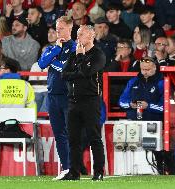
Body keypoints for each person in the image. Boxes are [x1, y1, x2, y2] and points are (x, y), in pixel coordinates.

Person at [61, 25, 105, 181]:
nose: (78, 37)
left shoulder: (98, 55)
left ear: (91, 36)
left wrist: (80, 58)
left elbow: (86, 72)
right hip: (73, 101)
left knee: (94, 137)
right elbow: (64, 75)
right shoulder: (74, 55)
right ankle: (74, 171)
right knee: (73, 139)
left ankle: (98, 172)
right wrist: (77, 70)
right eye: (77, 34)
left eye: (81, 34)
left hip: (90, 101)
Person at [38, 16, 76, 180]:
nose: (57, 31)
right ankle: (66, 169)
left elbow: (66, 68)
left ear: (70, 28)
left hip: (68, 96)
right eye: (56, 28)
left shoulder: (75, 48)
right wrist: (55, 51)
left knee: (71, 133)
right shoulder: (53, 48)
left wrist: (52, 61)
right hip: (52, 96)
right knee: (59, 133)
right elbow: (41, 63)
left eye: (61, 28)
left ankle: (74, 168)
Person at [119, 56, 164, 121]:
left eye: (148, 69)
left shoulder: (161, 83)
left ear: (155, 68)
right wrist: (130, 104)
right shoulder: (133, 81)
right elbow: (121, 101)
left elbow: (165, 107)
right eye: (143, 69)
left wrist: (148, 106)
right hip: (133, 121)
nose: (145, 72)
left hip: (153, 122)